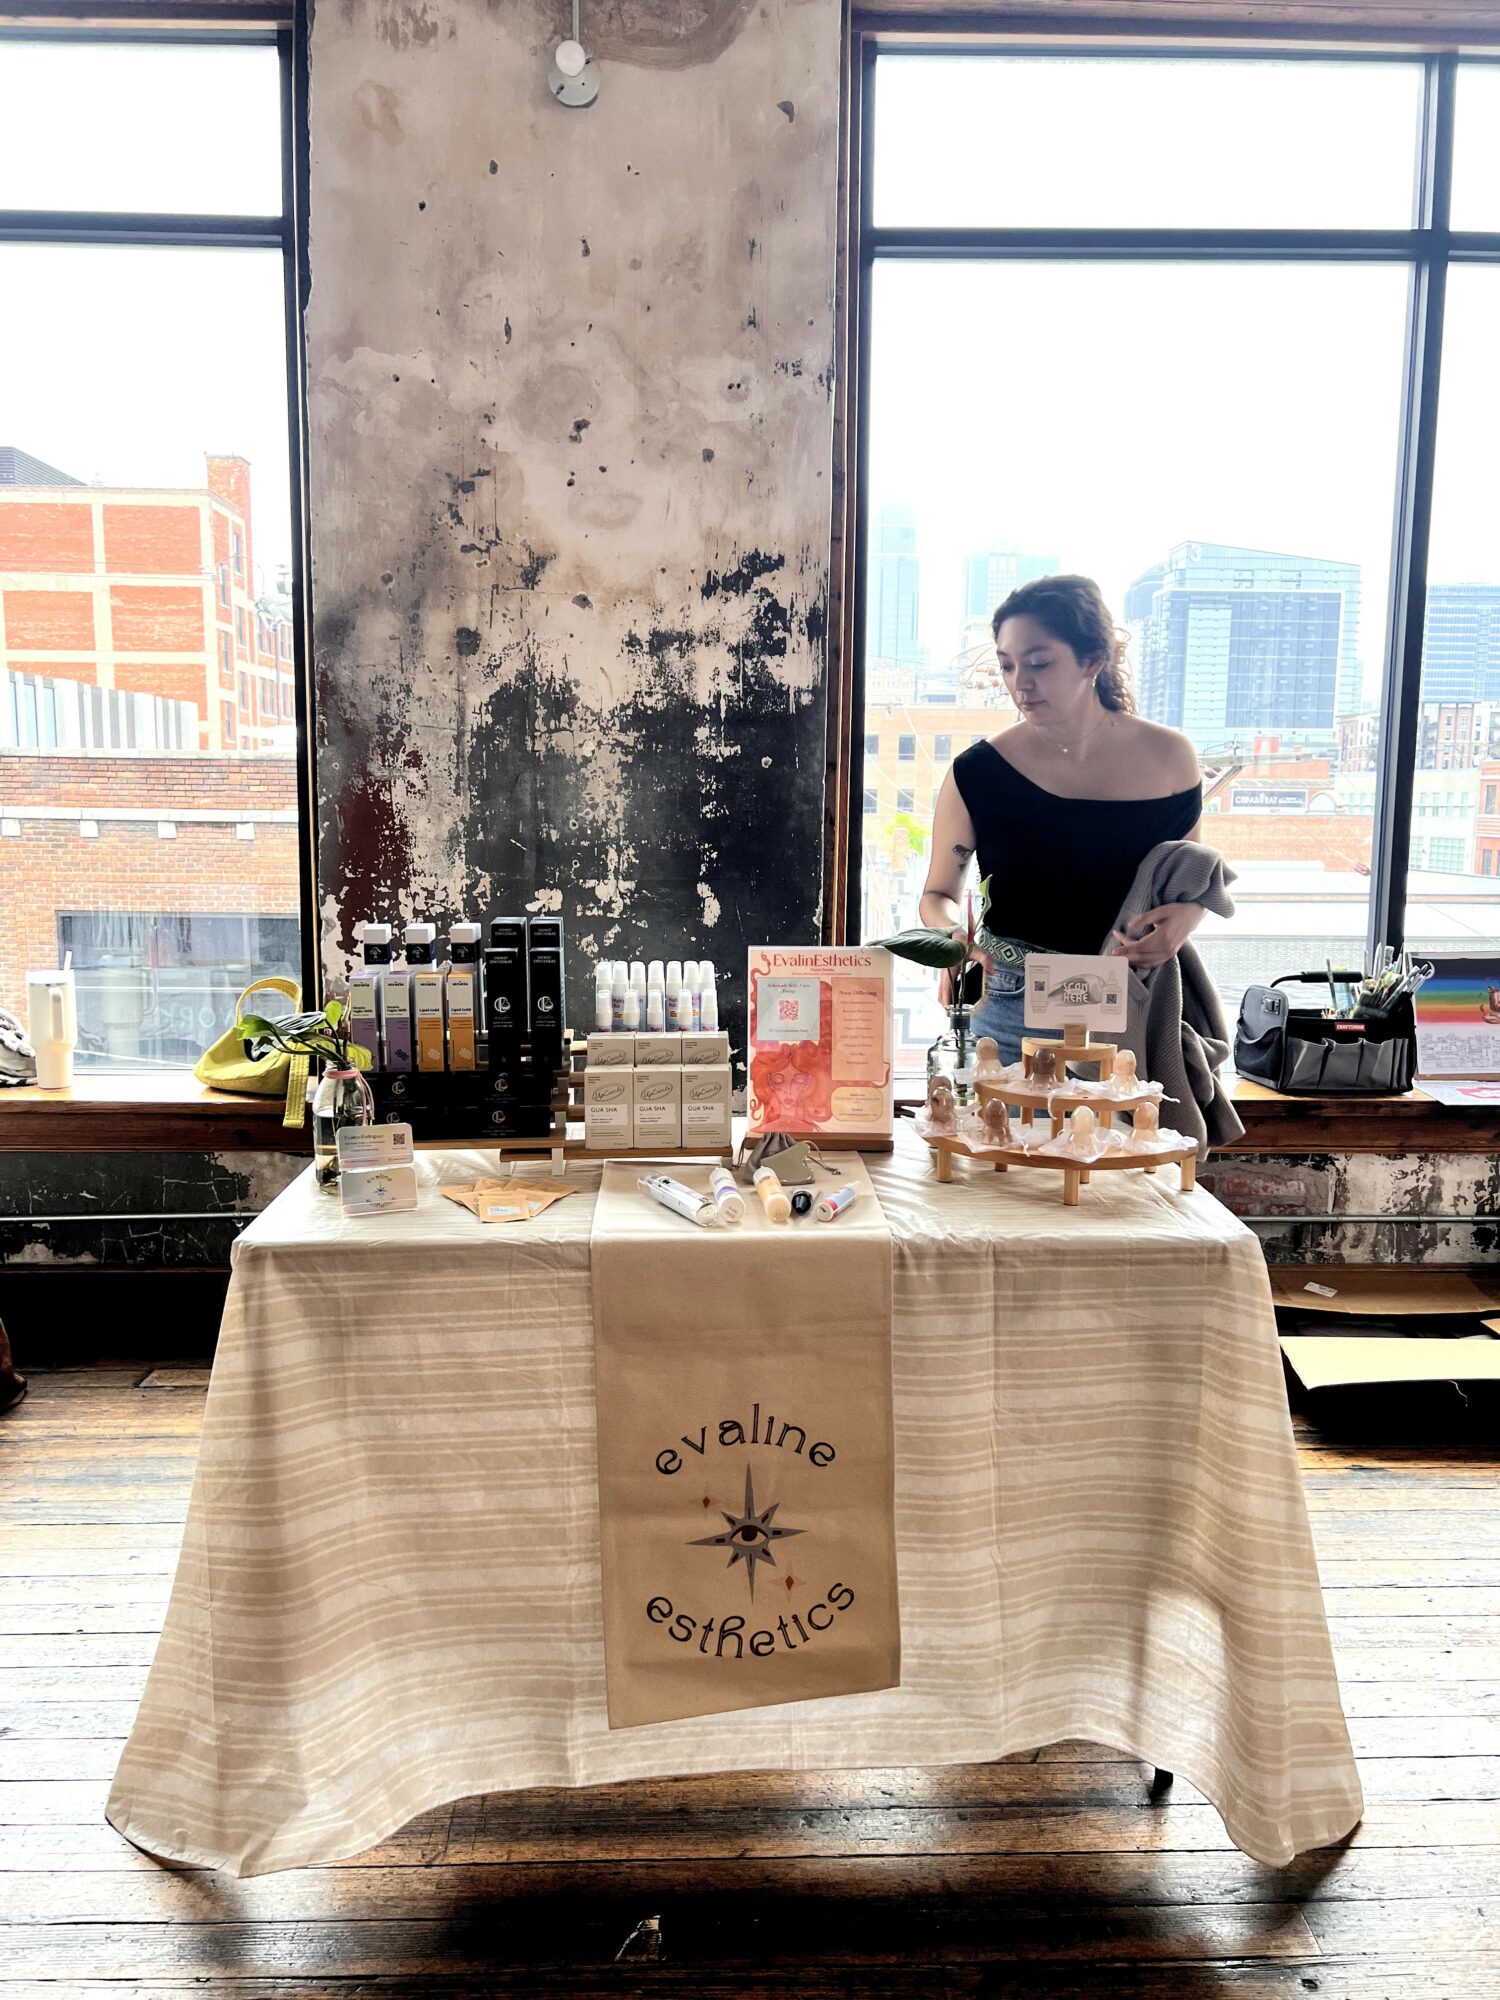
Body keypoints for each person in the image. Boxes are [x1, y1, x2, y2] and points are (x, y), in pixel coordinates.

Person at [920, 574, 1204, 1064]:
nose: (1020, 684)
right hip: (1008, 1000)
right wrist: (955, 940)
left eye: (1039, 663)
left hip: (1132, 1000)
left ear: (1093, 660)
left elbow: (1190, 884)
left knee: (1123, 1139)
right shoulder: (980, 771)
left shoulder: (1170, 758)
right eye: (1007, 666)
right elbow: (938, 895)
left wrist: (1187, 920)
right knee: (1003, 1141)